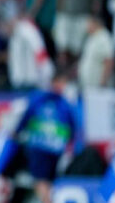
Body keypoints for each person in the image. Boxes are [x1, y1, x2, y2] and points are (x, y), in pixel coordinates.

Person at [13, 71, 76, 203]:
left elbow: (71, 127)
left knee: (43, 182)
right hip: (44, 148)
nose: (63, 86)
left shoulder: (63, 103)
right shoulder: (43, 99)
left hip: (48, 149)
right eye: (62, 82)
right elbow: (27, 116)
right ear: (54, 82)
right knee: (43, 182)